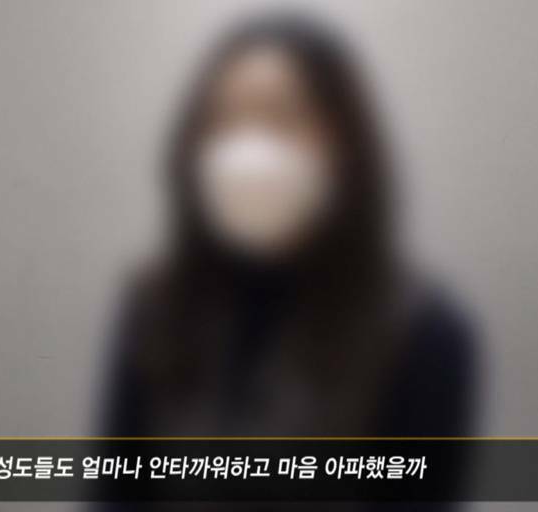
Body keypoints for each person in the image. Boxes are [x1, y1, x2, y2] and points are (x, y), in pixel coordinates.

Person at [100, 12, 479, 508]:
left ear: (342, 140)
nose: (247, 148)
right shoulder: (153, 309)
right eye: (222, 121)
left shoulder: (425, 330)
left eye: (279, 117)